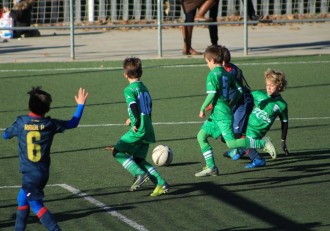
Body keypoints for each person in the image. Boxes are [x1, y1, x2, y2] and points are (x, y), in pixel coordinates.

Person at [2, 87, 88, 230]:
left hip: (30, 174)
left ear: (29, 105)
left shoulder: (21, 122)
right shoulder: (50, 124)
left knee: (36, 205)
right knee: (22, 199)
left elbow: (5, 135)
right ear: (47, 109)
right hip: (42, 172)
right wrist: (80, 104)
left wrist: (16, 126)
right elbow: (73, 123)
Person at [195, 45, 276, 177]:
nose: (207, 65)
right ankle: (211, 167)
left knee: (231, 143)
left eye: (206, 62)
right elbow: (239, 90)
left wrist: (202, 108)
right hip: (218, 114)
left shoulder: (212, 75)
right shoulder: (227, 74)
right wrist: (231, 102)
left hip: (222, 116)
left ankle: (262, 143)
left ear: (211, 60)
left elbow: (211, 94)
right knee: (201, 136)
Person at [105, 57, 169, 197]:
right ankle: (161, 183)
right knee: (139, 159)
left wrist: (136, 123)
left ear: (125, 74)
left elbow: (133, 105)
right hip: (148, 128)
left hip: (139, 128)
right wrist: (133, 119)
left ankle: (139, 174)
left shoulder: (129, 89)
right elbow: (148, 107)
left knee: (117, 152)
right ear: (141, 73)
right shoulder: (144, 88)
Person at [228, 69, 289, 168]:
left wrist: (283, 142)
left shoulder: (282, 105)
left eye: (272, 85)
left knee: (241, 141)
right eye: (267, 85)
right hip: (246, 127)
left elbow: (285, 123)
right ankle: (239, 150)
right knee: (229, 136)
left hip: (256, 132)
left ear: (279, 85)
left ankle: (257, 159)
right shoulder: (258, 94)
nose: (268, 88)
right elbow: (245, 100)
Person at [220, 46, 254, 159]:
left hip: (242, 103)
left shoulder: (230, 74)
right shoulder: (228, 70)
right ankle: (238, 150)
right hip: (235, 103)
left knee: (236, 134)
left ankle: (257, 152)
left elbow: (233, 94)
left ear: (224, 62)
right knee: (226, 135)